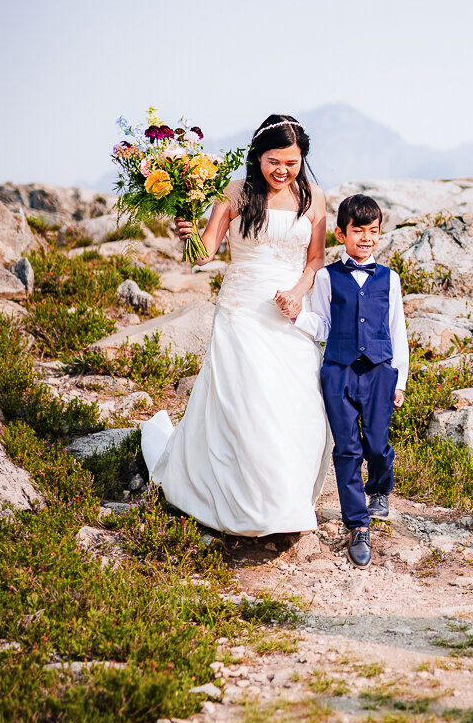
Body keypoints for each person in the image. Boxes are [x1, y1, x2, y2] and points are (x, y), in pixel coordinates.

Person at [140, 114, 330, 537]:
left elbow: (316, 259)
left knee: (298, 405)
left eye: (292, 163)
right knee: (248, 403)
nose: (282, 171)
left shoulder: (313, 197)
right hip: (241, 311)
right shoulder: (235, 193)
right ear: (257, 157)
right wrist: (188, 233)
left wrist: (298, 293)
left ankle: (284, 502)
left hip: (290, 312)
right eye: (273, 161)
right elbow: (204, 253)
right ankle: (240, 500)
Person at [301, 194, 408, 567]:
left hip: (379, 372)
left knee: (377, 445)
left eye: (373, 231)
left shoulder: (389, 279)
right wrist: (294, 315)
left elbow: (397, 330)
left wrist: (399, 380)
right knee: (346, 450)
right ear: (340, 234)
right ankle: (358, 525)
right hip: (338, 371)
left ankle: (379, 489)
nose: (366, 238)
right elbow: (321, 324)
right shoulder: (326, 277)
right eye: (358, 230)